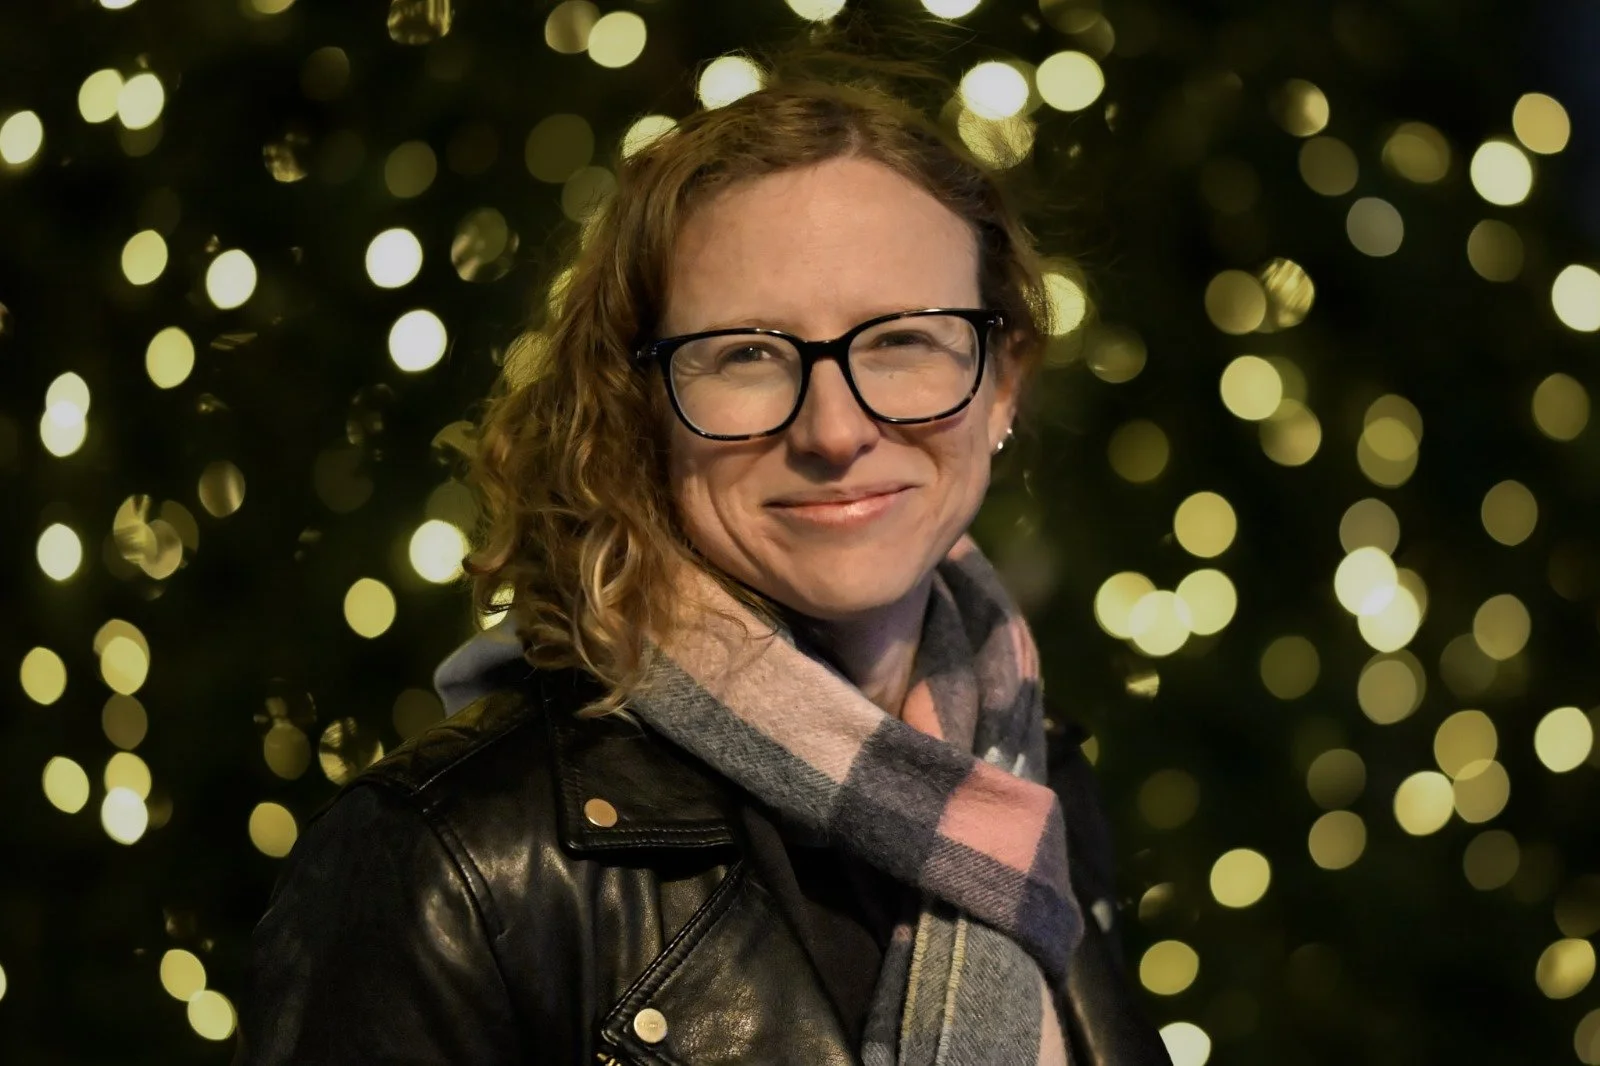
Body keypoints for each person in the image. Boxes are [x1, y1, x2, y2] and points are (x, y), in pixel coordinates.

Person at [235, 39, 1171, 1066]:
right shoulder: (453, 861)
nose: (832, 430)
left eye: (903, 339)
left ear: (1001, 381)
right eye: (745, 356)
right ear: (641, 405)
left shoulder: (1036, 779)